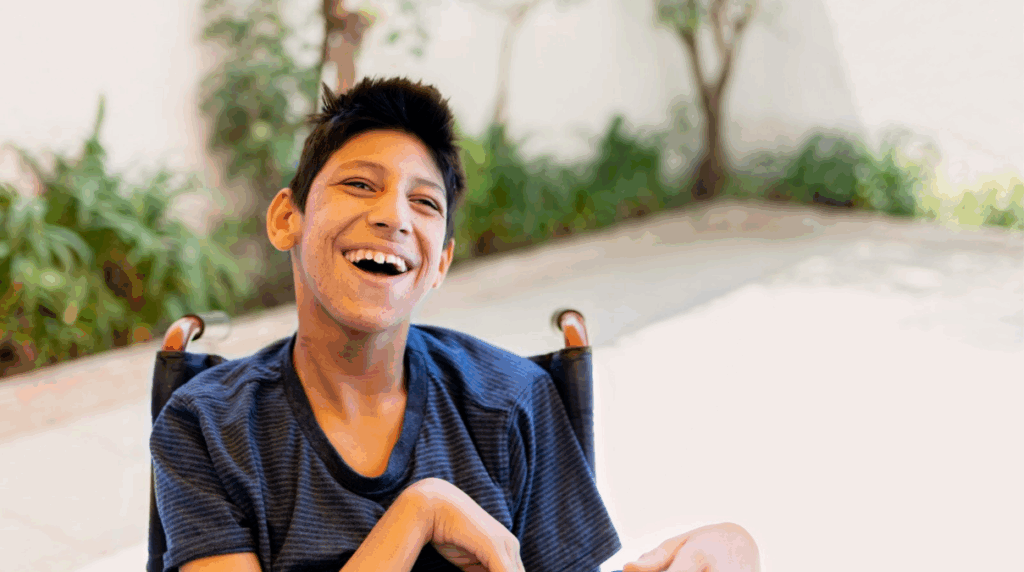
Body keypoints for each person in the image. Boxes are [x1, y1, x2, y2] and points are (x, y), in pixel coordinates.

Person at [150, 76, 760, 572]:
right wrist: (420, 513)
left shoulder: (511, 401)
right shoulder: (207, 427)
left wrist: (728, 548)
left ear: (439, 261)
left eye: (424, 202)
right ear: (288, 218)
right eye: (360, 184)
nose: (393, 217)